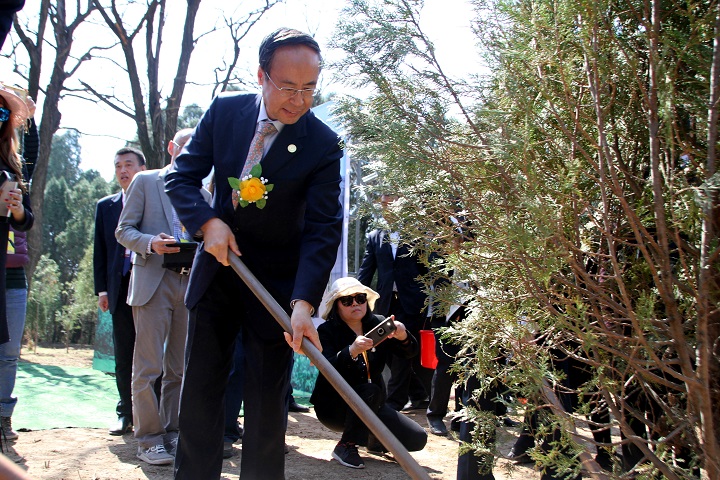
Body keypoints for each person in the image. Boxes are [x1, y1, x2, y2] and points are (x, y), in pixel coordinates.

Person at [165, 28, 344, 480]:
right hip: (217, 273)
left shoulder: (323, 145)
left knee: (267, 403)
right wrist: (209, 222)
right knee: (201, 394)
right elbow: (181, 178)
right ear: (261, 75)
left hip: (275, 287)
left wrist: (303, 304)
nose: (299, 100)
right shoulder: (225, 112)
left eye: (309, 89)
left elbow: (323, 229)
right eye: (287, 87)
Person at [115, 129, 209, 465]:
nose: (191, 153)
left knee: (179, 370)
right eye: (186, 147)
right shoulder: (144, 181)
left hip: (188, 286)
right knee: (147, 367)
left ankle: (173, 432)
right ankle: (148, 439)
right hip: (152, 281)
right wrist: (151, 242)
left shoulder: (202, 194)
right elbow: (123, 230)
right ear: (171, 148)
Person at [311, 277, 427, 469]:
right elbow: (325, 367)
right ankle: (345, 445)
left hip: (374, 404)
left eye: (360, 298)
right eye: (347, 300)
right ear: (336, 306)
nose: (355, 303)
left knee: (417, 439)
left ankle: (371, 439)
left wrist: (403, 336)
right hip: (333, 406)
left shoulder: (378, 324)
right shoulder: (326, 331)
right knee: (370, 390)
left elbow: (409, 353)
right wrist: (351, 352)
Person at [357, 193, 433, 411]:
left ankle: (394, 402)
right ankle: (419, 395)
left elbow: (426, 269)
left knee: (402, 350)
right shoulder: (374, 236)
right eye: (384, 204)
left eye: (391, 204)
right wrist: (354, 296)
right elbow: (366, 271)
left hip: (411, 302)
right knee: (389, 352)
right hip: (386, 303)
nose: (388, 208)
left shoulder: (416, 236)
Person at [93, 146, 146, 436]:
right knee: (123, 353)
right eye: (118, 166)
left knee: (153, 354)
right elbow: (99, 251)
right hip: (120, 287)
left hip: (151, 286)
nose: (123, 171)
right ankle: (125, 412)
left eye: (128, 165)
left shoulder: (155, 200)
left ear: (142, 169)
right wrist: (102, 289)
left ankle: (153, 414)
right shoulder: (106, 206)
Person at [0, 84, 33, 440]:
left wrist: (17, 208)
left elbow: (26, 219)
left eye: (2, 114)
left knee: (8, 353)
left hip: (11, 275)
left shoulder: (12, 165)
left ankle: (3, 418)